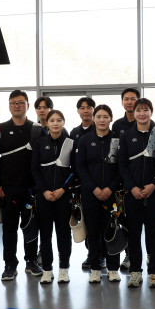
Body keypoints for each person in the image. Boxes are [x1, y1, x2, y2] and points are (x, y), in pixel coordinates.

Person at [0, 90, 46, 281]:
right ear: (9, 105)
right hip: (8, 189)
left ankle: (31, 261)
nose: (17, 106)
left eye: (21, 102)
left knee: (31, 227)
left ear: (28, 106)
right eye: (13, 103)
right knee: (9, 229)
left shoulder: (37, 129)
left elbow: (45, 159)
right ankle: (10, 265)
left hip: (32, 189)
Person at [118, 98, 155, 288]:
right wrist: (132, 187)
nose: (142, 113)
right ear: (134, 113)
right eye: (138, 110)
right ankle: (135, 272)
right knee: (134, 234)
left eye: (145, 109)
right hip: (133, 193)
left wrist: (154, 184)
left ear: (151, 112)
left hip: (154, 192)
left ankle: (154, 273)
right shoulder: (127, 135)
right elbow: (122, 164)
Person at [76, 105, 123, 284]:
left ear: (111, 119)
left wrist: (111, 187)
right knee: (93, 232)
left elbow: (122, 166)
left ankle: (113, 268)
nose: (102, 120)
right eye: (99, 116)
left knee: (112, 231)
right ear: (94, 119)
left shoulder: (118, 139)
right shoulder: (85, 140)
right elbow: (80, 167)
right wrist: (94, 188)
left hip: (112, 194)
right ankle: (95, 267)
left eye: (106, 116)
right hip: (91, 194)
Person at [31, 110, 75, 285]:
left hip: (63, 197)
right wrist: (44, 191)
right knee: (46, 235)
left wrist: (64, 189)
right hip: (44, 197)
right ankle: (47, 270)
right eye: (52, 120)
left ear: (63, 122)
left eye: (59, 120)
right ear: (46, 123)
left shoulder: (71, 143)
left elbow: (75, 171)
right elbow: (34, 169)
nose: (55, 123)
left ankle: (64, 269)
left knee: (63, 234)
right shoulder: (40, 143)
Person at [112, 88, 140, 271]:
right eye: (127, 99)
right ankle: (128, 255)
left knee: (140, 224)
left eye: (133, 99)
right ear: (122, 102)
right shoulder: (117, 125)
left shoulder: (149, 123)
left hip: (141, 183)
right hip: (123, 183)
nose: (130, 102)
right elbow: (116, 156)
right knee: (125, 221)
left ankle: (140, 255)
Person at [70, 96, 97, 270]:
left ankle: (104, 254)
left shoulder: (102, 129)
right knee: (87, 221)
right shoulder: (74, 133)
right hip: (82, 185)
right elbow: (73, 160)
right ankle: (92, 254)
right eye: (82, 107)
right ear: (78, 111)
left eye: (89, 107)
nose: (85, 110)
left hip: (102, 184)